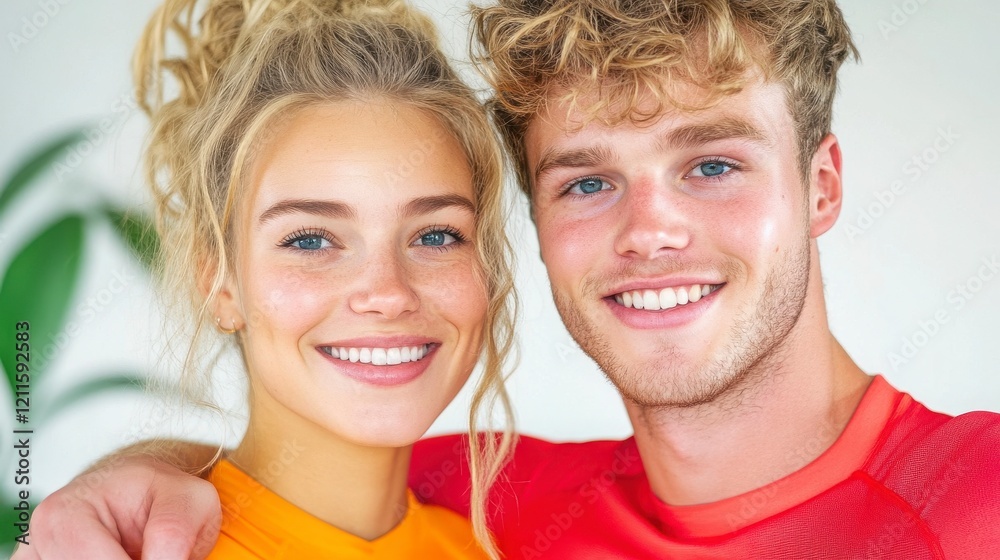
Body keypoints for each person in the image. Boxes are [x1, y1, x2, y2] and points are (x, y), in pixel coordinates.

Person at [15, 0, 1000, 559]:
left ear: (821, 184)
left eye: (711, 164)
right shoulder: (498, 504)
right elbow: (285, 481)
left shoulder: (976, 500)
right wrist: (131, 482)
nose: (650, 232)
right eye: (588, 181)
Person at [11, 0, 519, 559]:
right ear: (219, 283)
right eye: (311, 241)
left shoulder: (487, 544)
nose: (389, 293)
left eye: (436, 235)